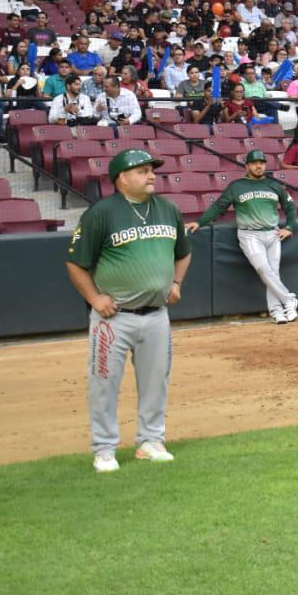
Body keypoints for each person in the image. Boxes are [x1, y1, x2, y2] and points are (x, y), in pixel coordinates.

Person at [65, 149, 191, 473]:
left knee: (155, 383)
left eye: (152, 170)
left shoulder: (168, 209)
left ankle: (150, 441)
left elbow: (183, 251)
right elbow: (76, 263)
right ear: (121, 178)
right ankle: (104, 449)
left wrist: (176, 282)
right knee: (104, 383)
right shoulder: (101, 213)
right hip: (113, 318)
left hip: (157, 315)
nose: (151, 176)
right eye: (142, 171)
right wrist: (94, 298)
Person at [187, 150, 298, 324]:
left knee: (273, 273)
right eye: (254, 163)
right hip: (250, 235)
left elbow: (290, 207)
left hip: (273, 233)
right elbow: (219, 207)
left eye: (261, 162)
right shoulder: (237, 186)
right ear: (247, 166)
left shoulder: (274, 185)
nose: (258, 166)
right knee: (263, 269)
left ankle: (277, 312)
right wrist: (200, 222)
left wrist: (290, 227)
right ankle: (288, 299)